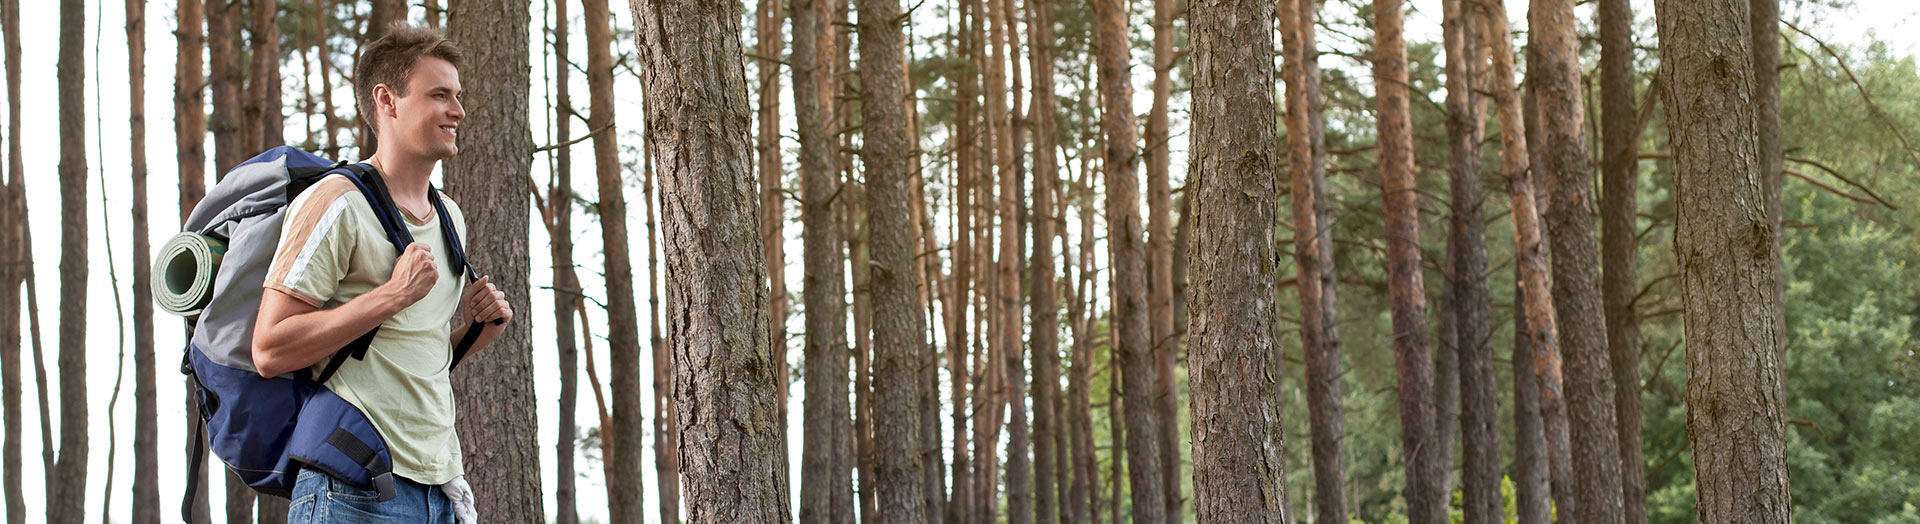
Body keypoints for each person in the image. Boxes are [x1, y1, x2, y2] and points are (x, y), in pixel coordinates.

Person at [249, 24, 510, 523]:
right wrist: (391, 295)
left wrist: (476, 331)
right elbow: (270, 349)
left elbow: (405, 355)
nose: (458, 110)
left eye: (457, 96)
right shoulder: (336, 203)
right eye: (439, 95)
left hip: (440, 490)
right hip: (351, 488)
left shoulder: (450, 217)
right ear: (387, 100)